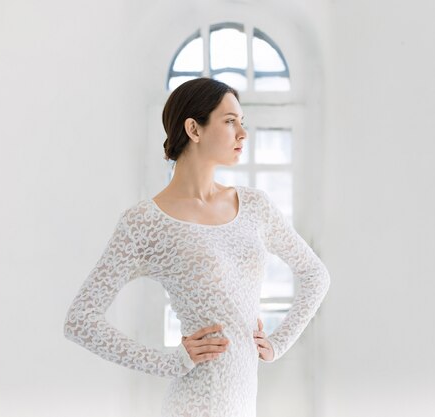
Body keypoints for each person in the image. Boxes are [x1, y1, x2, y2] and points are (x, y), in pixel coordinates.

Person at [63, 77, 331, 417]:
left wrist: (278, 342)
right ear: (194, 128)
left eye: (242, 123)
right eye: (230, 121)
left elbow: (315, 274)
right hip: (192, 404)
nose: (242, 134)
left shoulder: (255, 206)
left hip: (243, 402)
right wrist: (170, 362)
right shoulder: (144, 222)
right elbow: (80, 320)